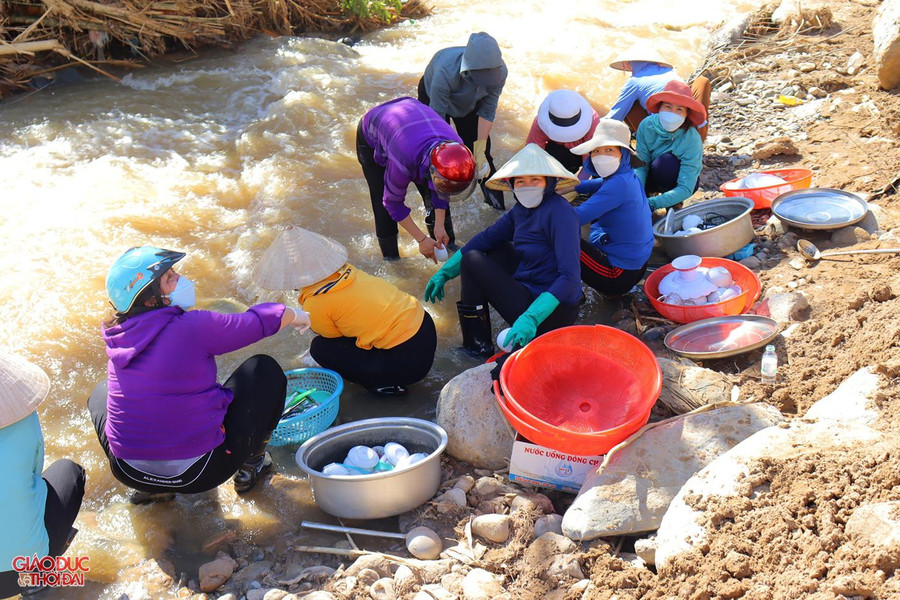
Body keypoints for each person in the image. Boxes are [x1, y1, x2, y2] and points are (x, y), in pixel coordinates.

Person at [89, 246, 307, 504]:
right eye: (170, 278)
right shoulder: (192, 327)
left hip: (129, 471)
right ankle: (253, 463)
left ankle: (154, 489)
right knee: (263, 369)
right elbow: (256, 323)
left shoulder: (118, 337)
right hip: (200, 473)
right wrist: (294, 314)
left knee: (101, 393)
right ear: (150, 300)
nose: (180, 279)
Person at [424, 144, 582, 356]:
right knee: (494, 250)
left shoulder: (561, 213)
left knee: (472, 261)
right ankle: (479, 339)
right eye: (520, 181)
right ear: (512, 185)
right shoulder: (519, 211)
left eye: (534, 179)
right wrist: (445, 272)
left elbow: (570, 278)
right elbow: (486, 239)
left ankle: (476, 346)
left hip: (552, 313)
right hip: (532, 288)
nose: (527, 186)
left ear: (549, 182)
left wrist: (531, 317)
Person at [255, 226, 437, 397]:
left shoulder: (315, 303)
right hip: (425, 326)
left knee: (320, 349)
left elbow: (332, 338)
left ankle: (384, 385)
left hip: (409, 361)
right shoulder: (348, 271)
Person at [0, 352, 85, 599]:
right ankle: (37, 583)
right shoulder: (24, 420)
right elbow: (32, 479)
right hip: (20, 574)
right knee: (69, 471)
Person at [357, 97, 477, 261]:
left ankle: (447, 243)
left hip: (411, 115)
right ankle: (392, 259)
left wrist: (439, 225)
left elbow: (443, 187)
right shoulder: (405, 157)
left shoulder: (458, 150)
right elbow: (392, 202)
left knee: (438, 189)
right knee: (382, 200)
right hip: (374, 126)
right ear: (431, 169)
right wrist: (421, 239)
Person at [419, 32, 508, 210]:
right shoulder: (445, 72)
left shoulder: (500, 72)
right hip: (434, 102)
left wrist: (480, 148)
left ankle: (498, 212)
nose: (487, 82)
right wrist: (449, 151)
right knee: (437, 159)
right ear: (468, 70)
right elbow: (438, 122)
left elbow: (487, 110)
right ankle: (437, 214)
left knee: (484, 161)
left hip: (471, 105)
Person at [569, 120, 654, 296]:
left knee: (559, 234)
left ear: (622, 154)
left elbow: (573, 218)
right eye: (596, 151)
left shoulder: (618, 186)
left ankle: (566, 293)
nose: (601, 156)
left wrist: (544, 211)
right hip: (637, 265)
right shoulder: (628, 175)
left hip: (618, 275)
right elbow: (601, 183)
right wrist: (574, 186)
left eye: (609, 150)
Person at [601, 45, 711, 141]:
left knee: (630, 105)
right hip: (692, 132)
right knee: (702, 81)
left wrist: (592, 123)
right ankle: (698, 138)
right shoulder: (671, 73)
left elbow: (614, 117)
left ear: (628, 64)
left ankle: (651, 146)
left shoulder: (634, 81)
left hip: (663, 140)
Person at [635, 80, 706, 211]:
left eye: (679, 109)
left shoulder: (691, 138)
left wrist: (652, 204)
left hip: (675, 180)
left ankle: (673, 203)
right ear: (660, 108)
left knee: (666, 162)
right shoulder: (646, 125)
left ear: (687, 114)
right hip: (650, 175)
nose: (672, 113)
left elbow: (686, 186)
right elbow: (641, 163)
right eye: (668, 107)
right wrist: (635, 193)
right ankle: (644, 195)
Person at [526, 89, 600, 174]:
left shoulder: (593, 121)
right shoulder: (539, 123)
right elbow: (533, 152)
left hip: (580, 153)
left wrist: (579, 183)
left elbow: (590, 155)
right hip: (557, 152)